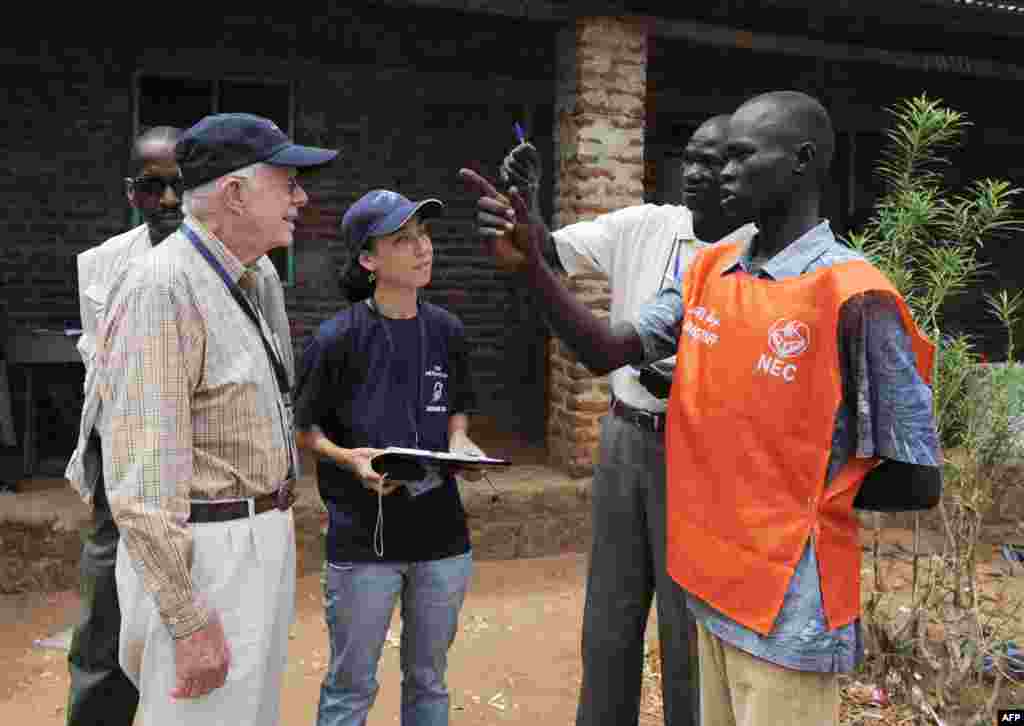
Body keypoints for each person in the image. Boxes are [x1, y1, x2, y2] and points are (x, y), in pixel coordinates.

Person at [460, 90, 941, 726]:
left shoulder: (854, 296)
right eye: (718, 158)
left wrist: (792, 495)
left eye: (742, 156)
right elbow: (607, 349)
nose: (723, 173)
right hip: (718, 592)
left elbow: (915, 477)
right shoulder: (711, 270)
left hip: (789, 614)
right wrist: (532, 269)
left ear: (800, 162)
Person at [480, 117, 755, 726]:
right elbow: (548, 249)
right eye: (692, 157)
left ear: (744, 170)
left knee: (688, 629)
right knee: (609, 614)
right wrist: (528, 210)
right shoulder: (646, 223)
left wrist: (530, 258)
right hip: (626, 435)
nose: (699, 172)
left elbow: (600, 339)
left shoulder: (754, 256)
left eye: (717, 162)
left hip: (700, 452)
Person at [96, 112, 337, 726]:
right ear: (235, 192)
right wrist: (187, 616)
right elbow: (143, 481)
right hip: (207, 550)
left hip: (259, 533)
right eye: (289, 182)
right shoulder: (163, 287)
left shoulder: (254, 280)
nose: (302, 198)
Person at [294, 188, 484, 726]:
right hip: (363, 538)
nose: (423, 248)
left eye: (423, 235)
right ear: (368, 260)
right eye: (403, 240)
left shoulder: (448, 330)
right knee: (351, 686)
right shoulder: (337, 338)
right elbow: (304, 429)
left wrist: (460, 443)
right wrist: (350, 458)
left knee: (429, 682)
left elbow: (458, 410)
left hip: (443, 538)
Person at [63, 125, 184, 726]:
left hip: (197, 479)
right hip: (124, 472)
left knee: (188, 633)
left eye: (180, 185)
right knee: (104, 626)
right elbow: (99, 374)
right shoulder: (104, 266)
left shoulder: (230, 263)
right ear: (130, 193)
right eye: (151, 186)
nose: (167, 200)